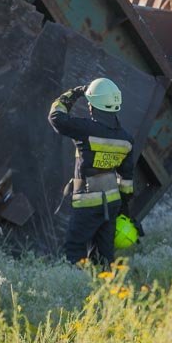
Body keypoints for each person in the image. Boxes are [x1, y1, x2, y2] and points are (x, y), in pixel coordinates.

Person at [48, 78, 135, 265]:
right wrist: (124, 209)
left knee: (74, 250)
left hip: (87, 202)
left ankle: (76, 287)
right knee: (104, 254)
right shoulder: (126, 139)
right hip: (111, 202)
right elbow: (127, 179)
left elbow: (56, 116)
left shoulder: (85, 130)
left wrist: (76, 92)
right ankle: (104, 289)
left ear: (93, 106)